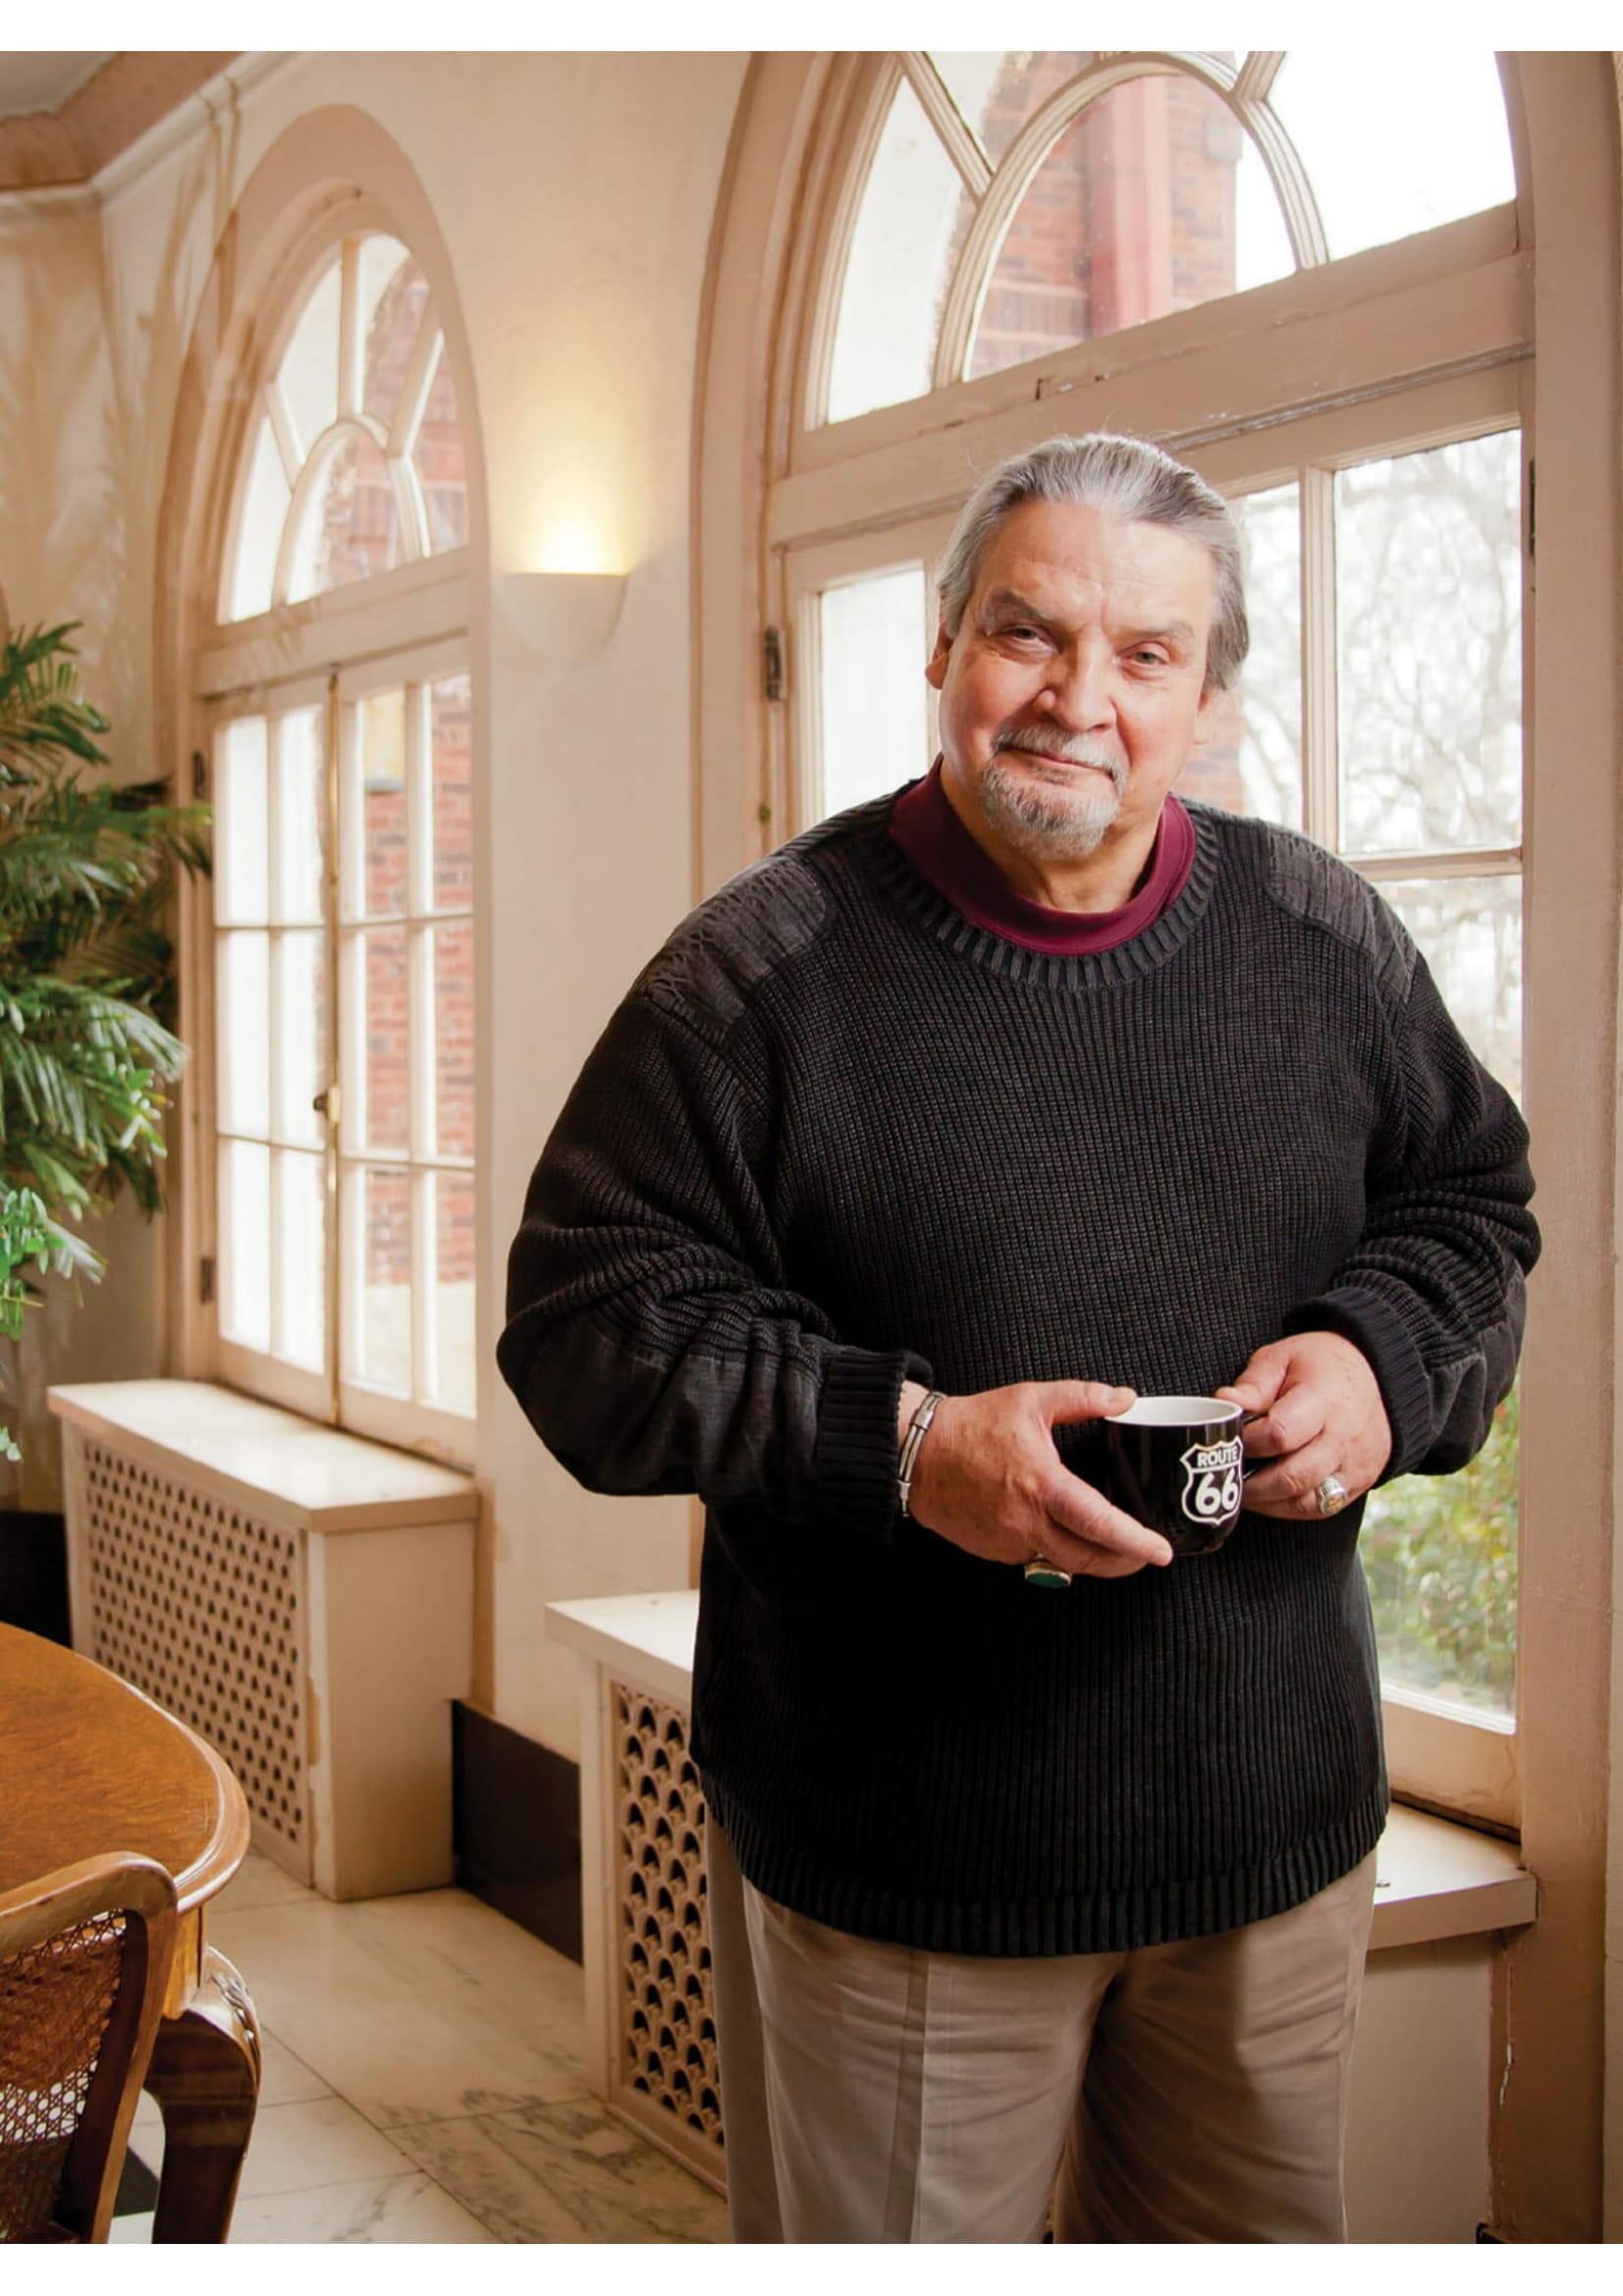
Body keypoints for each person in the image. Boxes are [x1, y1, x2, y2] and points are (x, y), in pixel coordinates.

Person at [498, 432, 1539, 2244]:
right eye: (1025, 633)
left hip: (1266, 1837)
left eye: (1144, 656)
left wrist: (1379, 1361)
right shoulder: (759, 972)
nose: (1076, 699)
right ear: (942, 645)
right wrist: (905, 1450)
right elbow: (589, 1319)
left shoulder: (1322, 938)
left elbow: (1469, 1206)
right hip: (907, 1858)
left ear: (1207, 702)